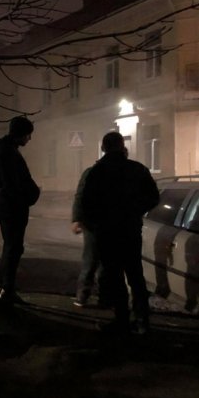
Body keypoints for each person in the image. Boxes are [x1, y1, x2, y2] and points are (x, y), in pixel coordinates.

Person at [81, 131, 159, 335]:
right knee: (135, 275)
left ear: (103, 148)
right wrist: (135, 211)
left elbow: (86, 204)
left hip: (107, 233)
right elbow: (153, 197)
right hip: (130, 230)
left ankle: (122, 320)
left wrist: (96, 224)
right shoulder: (137, 169)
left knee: (115, 277)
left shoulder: (97, 172)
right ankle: (142, 320)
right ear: (122, 146)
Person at [0, 116, 40, 305]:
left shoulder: (2, 149)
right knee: (13, 248)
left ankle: (3, 288)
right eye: (28, 135)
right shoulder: (7, 152)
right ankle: (6, 290)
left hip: (7, 204)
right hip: (11, 205)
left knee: (11, 247)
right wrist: (27, 196)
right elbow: (12, 183)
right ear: (21, 133)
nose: (29, 138)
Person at [71, 166, 102, 307]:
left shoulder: (92, 171)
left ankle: (83, 296)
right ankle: (103, 297)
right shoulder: (131, 170)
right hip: (107, 223)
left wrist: (77, 219)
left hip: (93, 222)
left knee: (91, 260)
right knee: (101, 261)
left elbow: (80, 196)